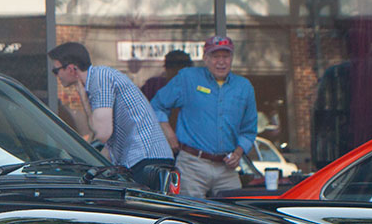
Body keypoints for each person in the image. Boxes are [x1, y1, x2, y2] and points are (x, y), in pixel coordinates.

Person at [48, 42, 174, 191]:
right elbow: (102, 135)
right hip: (145, 160)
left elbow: (102, 133)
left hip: (146, 159)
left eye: (56, 71)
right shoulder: (94, 82)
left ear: (71, 69)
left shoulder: (100, 78)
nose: (57, 76)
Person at [150, 34, 258, 197]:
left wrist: (238, 152)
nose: (221, 61)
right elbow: (156, 105)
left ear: (232, 58)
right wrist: (169, 133)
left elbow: (249, 130)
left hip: (226, 168)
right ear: (205, 58)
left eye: (226, 56)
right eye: (215, 56)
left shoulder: (244, 87)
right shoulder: (188, 78)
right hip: (192, 164)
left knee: (234, 216)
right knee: (189, 215)